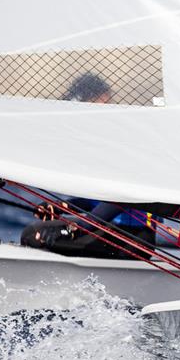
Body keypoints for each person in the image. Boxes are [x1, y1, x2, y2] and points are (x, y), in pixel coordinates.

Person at [20, 73, 157, 259]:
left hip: (133, 237)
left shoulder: (124, 140)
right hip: (110, 229)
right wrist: (61, 206)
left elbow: (123, 196)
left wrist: (83, 226)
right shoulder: (102, 143)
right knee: (39, 232)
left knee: (34, 235)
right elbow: (97, 200)